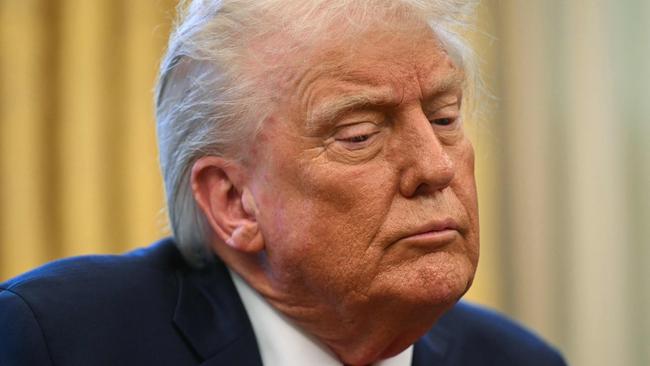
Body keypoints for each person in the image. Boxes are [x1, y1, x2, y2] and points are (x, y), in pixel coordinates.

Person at [0, 1, 566, 365]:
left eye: (444, 118)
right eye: (360, 133)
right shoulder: (59, 340)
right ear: (233, 203)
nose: (436, 167)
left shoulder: (519, 360)